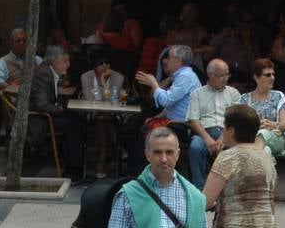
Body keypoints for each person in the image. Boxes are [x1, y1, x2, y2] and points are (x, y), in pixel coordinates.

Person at [133, 44, 201, 167]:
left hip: (183, 124)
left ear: (178, 60)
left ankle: (143, 173)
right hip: (173, 120)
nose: (166, 60)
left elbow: (167, 100)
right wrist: (158, 116)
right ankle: (142, 169)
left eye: (169, 57)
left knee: (145, 132)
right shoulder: (181, 75)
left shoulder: (186, 76)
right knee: (138, 124)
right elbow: (174, 105)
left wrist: (154, 83)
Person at [28, 45, 86, 178]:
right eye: (65, 61)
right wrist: (61, 109)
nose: (69, 64)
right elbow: (41, 105)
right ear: (53, 61)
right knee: (73, 125)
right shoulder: (43, 73)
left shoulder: (50, 72)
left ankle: (73, 163)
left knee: (77, 119)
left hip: (45, 115)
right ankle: (74, 169)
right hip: (38, 119)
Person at [185, 59, 240, 186]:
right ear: (210, 74)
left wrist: (223, 137)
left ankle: (230, 188)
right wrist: (207, 139)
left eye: (227, 74)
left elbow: (235, 118)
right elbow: (193, 119)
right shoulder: (197, 94)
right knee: (196, 147)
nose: (225, 78)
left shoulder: (233, 93)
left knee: (235, 148)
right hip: (204, 132)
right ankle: (199, 188)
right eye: (221, 75)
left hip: (228, 133)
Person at [80, 49, 127, 179]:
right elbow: (90, 101)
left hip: (113, 114)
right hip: (93, 113)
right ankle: (118, 147)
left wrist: (102, 83)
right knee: (101, 118)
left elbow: (112, 102)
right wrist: (101, 83)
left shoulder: (118, 77)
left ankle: (101, 161)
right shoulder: (86, 77)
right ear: (94, 66)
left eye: (108, 63)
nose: (106, 67)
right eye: (101, 64)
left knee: (103, 119)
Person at [237, 57, 285, 159]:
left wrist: (273, 125)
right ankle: (266, 173)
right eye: (268, 75)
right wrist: (256, 125)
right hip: (251, 140)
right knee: (266, 151)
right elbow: (240, 127)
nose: (272, 78)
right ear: (256, 77)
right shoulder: (244, 99)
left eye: (273, 74)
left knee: (263, 133)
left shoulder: (278, 96)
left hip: (275, 138)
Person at [0, 29, 40, 94]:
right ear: (11, 43)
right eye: (18, 41)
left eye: (24, 41)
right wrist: (13, 87)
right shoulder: (3, 62)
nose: (22, 43)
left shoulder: (36, 59)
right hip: (16, 99)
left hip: (36, 97)